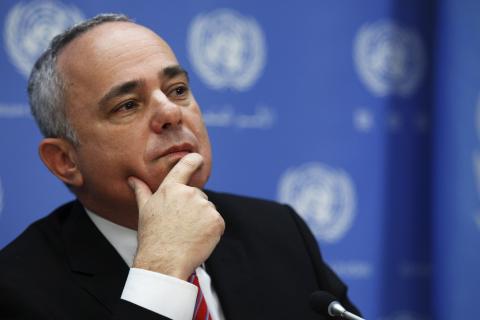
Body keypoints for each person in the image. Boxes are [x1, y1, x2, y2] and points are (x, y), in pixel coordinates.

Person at [0, 13, 359, 320]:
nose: (171, 113)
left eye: (177, 90)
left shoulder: (278, 232)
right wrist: (161, 274)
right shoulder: (17, 290)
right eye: (127, 105)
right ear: (65, 161)